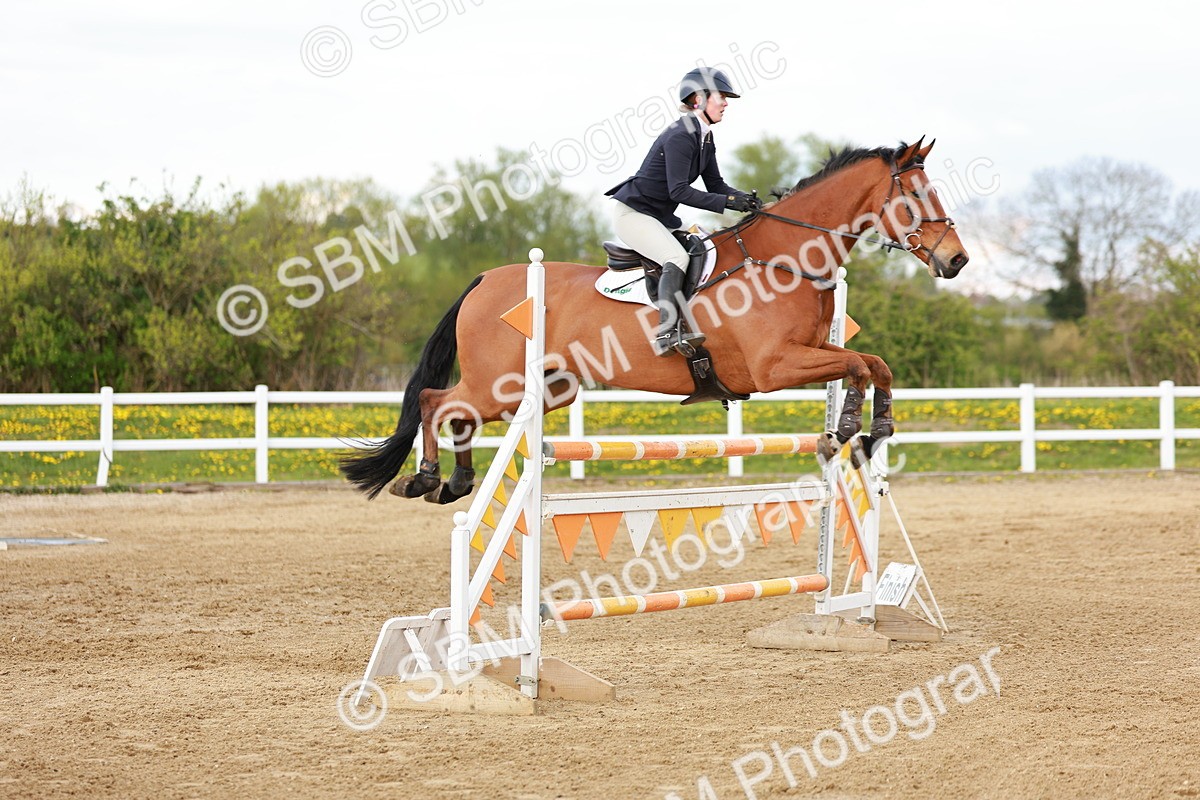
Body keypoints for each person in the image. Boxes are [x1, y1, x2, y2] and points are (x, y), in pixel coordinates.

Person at [606, 67, 762, 356]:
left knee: (698, 249)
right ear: (698, 100)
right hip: (634, 215)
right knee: (675, 257)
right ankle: (665, 333)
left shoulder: (704, 137)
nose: (726, 103)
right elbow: (678, 190)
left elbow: (716, 183)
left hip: (656, 218)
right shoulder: (681, 135)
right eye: (721, 97)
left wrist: (747, 201)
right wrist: (728, 203)